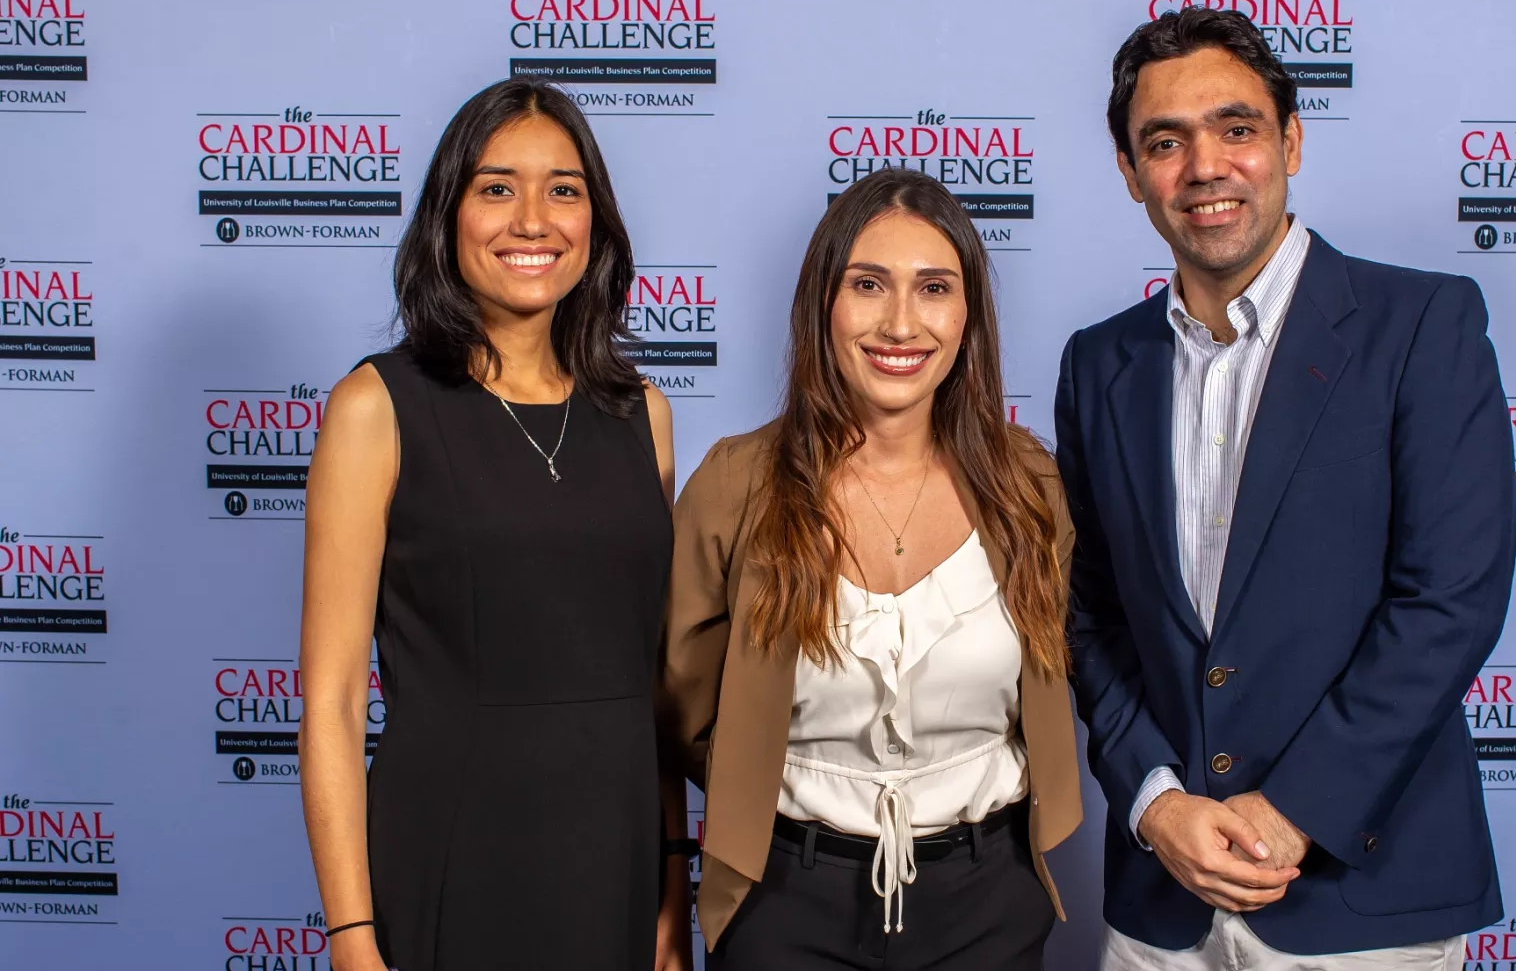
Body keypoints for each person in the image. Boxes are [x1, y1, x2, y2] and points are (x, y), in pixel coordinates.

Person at [1055, 8, 1516, 970]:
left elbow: (1450, 601)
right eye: (1165, 142)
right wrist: (1155, 801)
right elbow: (1088, 616)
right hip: (1161, 901)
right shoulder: (1099, 363)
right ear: (1130, 171)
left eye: (1237, 129)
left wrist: (1296, 810)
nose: (1205, 168)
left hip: (1359, 895)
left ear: (1290, 140)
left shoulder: (1421, 324)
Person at [297, 78, 690, 971]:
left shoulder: (644, 415)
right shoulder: (377, 406)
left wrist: (674, 886)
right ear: (449, 213)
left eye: (564, 189)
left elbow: (656, 690)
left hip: (616, 860)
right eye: (496, 187)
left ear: (596, 221)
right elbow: (332, 702)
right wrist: (353, 941)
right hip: (452, 849)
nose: (533, 220)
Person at [660, 168, 1082, 969]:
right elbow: (683, 707)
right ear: (824, 303)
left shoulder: (1027, 482)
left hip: (989, 894)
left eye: (933, 287)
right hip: (785, 899)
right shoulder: (735, 483)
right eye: (867, 285)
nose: (899, 323)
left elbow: (1061, 655)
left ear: (968, 317)